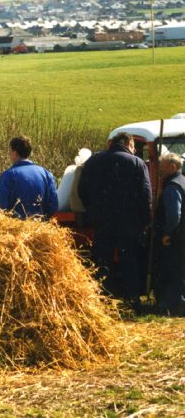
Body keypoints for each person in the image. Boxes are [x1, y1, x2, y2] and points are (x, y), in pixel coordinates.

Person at [78, 132, 152, 311]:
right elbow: (145, 194)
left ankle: (103, 299)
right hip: (129, 221)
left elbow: (82, 189)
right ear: (128, 143)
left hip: (103, 220)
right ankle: (132, 299)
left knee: (103, 260)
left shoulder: (94, 161)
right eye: (134, 146)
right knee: (129, 260)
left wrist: (93, 210)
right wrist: (145, 220)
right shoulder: (137, 163)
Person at [0, 136, 58, 220]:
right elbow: (53, 205)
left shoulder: (8, 175)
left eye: (10, 150)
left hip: (14, 228)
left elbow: (0, 206)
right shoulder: (46, 174)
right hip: (40, 227)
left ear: (15, 153)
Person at [153, 152, 185, 316]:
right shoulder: (183, 181)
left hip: (176, 237)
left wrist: (167, 233)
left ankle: (176, 306)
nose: (160, 169)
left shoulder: (172, 187)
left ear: (172, 167)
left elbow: (174, 215)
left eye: (163, 166)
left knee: (174, 270)